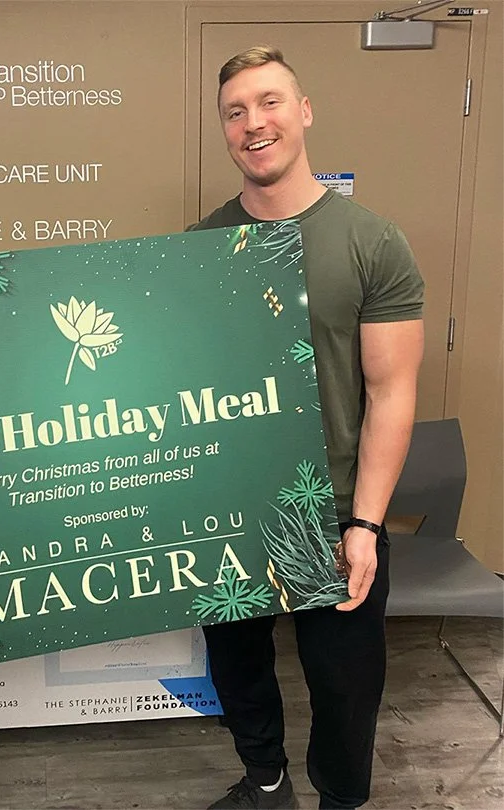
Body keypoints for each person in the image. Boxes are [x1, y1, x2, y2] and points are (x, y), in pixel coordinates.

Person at [189, 47, 424, 810]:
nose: (254, 123)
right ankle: (266, 779)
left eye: (269, 102)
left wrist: (364, 521)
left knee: (346, 688)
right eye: (235, 111)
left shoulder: (372, 241)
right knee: (238, 669)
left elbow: (392, 392)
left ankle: (339, 798)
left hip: (335, 517)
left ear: (304, 110)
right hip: (230, 512)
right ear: (224, 128)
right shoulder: (198, 248)